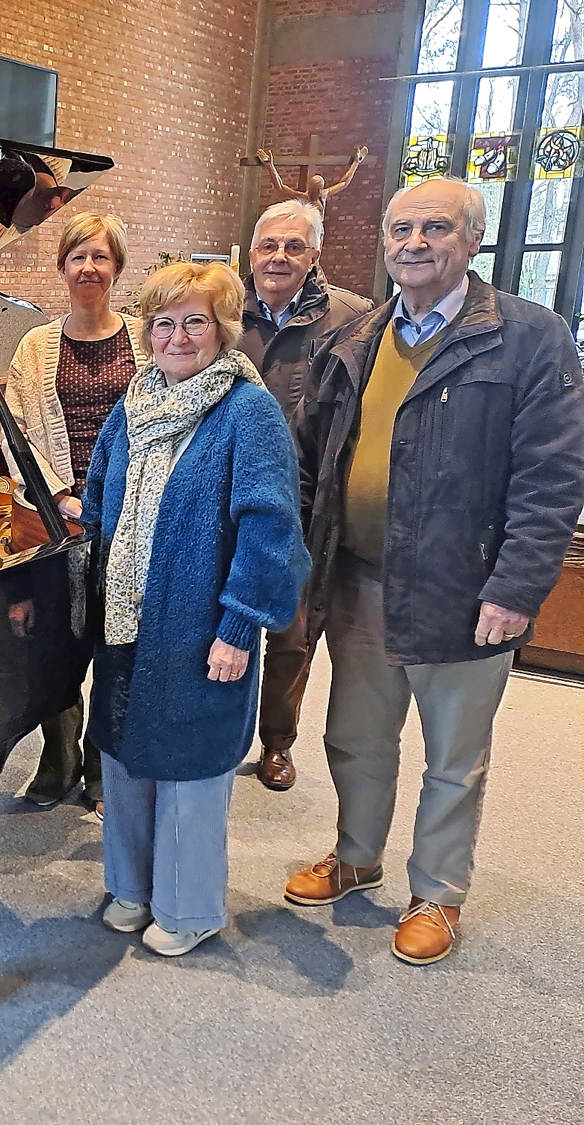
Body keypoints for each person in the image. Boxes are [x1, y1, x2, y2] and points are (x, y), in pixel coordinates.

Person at [285, 177, 584, 965]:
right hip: (356, 577)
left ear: (471, 241)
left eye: (435, 229)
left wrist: (518, 586)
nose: (413, 243)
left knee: (453, 754)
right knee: (354, 735)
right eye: (400, 229)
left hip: (464, 586)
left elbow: (552, 476)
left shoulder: (530, 336)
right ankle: (356, 855)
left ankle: (438, 892)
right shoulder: (356, 337)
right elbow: (313, 461)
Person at [82, 261, 309, 957]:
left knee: (190, 765)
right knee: (123, 752)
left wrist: (240, 625)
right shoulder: (135, 401)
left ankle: (190, 907)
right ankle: (132, 886)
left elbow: (272, 528)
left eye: (195, 321)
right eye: (164, 322)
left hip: (200, 625)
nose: (178, 337)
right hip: (126, 616)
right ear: (147, 333)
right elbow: (99, 495)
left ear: (223, 328)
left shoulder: (248, 410)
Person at [1, 212, 148, 811]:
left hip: (130, 515)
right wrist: (58, 492)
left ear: (117, 268)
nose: (89, 268)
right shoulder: (35, 344)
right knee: (52, 643)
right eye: (77, 257)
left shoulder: (146, 336)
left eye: (100, 257)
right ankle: (57, 756)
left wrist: (123, 495)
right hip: (54, 517)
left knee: (118, 643)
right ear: (61, 268)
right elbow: (17, 433)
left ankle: (99, 762)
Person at [240, 200, 372, 791]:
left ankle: (276, 743)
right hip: (227, 493)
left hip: (302, 498)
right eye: (269, 245)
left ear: (315, 255)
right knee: (215, 617)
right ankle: (216, 731)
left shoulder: (353, 318)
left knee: (291, 631)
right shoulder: (221, 307)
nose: (279, 257)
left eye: (294, 247)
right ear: (251, 251)